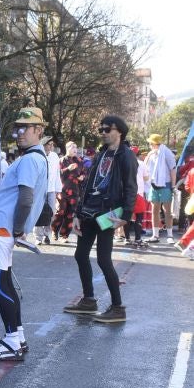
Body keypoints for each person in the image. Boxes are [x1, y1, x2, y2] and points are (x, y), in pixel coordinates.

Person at [0, 107, 49, 361]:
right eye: (18, 127)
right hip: (4, 228)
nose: (19, 132)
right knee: (4, 284)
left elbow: (26, 199)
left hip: (1, 227)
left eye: (25, 128)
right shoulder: (38, 158)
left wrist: (18, 227)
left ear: (39, 130)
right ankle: (15, 336)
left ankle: (13, 341)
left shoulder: (29, 159)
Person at [63, 115, 137, 324]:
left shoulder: (126, 156)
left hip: (109, 212)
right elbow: (87, 184)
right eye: (101, 129)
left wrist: (126, 216)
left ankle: (117, 307)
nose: (103, 132)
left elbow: (131, 187)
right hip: (89, 211)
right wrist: (77, 213)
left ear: (119, 131)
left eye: (107, 129)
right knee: (80, 255)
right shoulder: (101, 153)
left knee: (104, 259)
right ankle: (89, 300)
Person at [143, 134, 177, 243]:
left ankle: (170, 236)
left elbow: (173, 169)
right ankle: (155, 235)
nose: (149, 145)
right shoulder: (152, 154)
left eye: (150, 143)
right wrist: (148, 156)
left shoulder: (167, 153)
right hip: (154, 185)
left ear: (154, 143)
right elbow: (145, 167)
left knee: (167, 211)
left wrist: (173, 185)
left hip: (165, 184)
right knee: (154, 210)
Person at [51, 141, 85, 243]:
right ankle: (54, 230)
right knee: (60, 212)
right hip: (62, 190)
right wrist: (67, 169)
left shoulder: (79, 161)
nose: (75, 149)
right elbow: (57, 174)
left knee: (70, 214)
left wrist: (82, 177)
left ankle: (64, 235)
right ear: (67, 149)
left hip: (75, 191)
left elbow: (84, 172)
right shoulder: (61, 160)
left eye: (76, 147)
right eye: (72, 147)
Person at [33, 136, 61, 245]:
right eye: (49, 144)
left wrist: (58, 189)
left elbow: (57, 173)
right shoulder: (38, 155)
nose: (51, 147)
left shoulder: (54, 156)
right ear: (43, 145)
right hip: (39, 189)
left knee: (51, 213)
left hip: (51, 189)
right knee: (39, 212)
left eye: (52, 144)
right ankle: (38, 237)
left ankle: (46, 234)